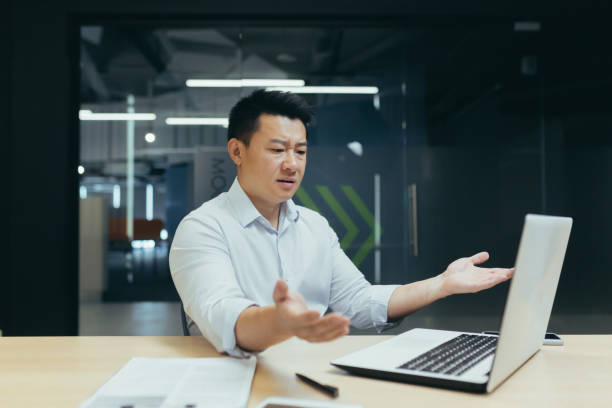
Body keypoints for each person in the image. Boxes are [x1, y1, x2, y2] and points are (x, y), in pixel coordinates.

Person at [169, 90, 513, 358]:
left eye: (300, 151)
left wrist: (442, 284)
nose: (292, 164)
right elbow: (221, 314)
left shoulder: (315, 227)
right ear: (237, 151)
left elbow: (360, 301)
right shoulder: (202, 228)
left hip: (309, 376)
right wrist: (281, 322)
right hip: (234, 383)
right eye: (277, 150)